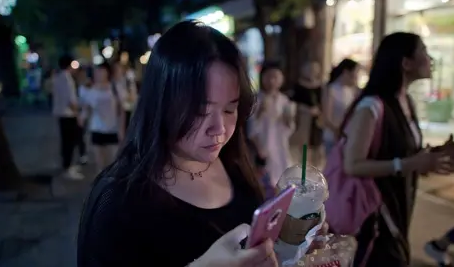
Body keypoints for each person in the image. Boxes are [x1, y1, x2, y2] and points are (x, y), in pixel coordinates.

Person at [77, 21, 325, 267]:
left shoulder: (233, 162)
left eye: (230, 109)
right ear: (162, 104)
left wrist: (290, 246)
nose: (219, 129)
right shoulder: (118, 201)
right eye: (199, 111)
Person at [340, 32, 451, 266]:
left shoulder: (406, 102)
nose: (429, 58)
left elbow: (400, 153)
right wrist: (409, 164)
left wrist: (430, 158)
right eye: (424, 51)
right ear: (406, 63)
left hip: (398, 208)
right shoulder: (372, 106)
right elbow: (353, 164)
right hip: (375, 216)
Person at [248, 61, 296, 186]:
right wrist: (259, 148)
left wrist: (288, 120)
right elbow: (251, 127)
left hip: (280, 146)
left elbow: (289, 128)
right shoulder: (257, 99)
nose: (272, 81)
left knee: (282, 178)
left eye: (276, 77)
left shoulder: (284, 100)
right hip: (264, 145)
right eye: (268, 76)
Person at [80, 62, 125, 173]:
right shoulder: (90, 90)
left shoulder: (115, 88)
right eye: (97, 72)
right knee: (100, 167)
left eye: (101, 71)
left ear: (107, 73)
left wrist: (121, 130)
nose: (98, 74)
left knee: (113, 165)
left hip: (112, 130)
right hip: (97, 130)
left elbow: (121, 111)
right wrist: (82, 118)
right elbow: (86, 109)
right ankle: (101, 189)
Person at [52, 55, 84, 180]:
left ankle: (67, 165)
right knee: (70, 141)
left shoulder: (58, 77)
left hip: (61, 114)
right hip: (68, 115)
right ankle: (68, 167)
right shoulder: (67, 79)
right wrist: (78, 115)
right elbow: (70, 100)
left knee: (66, 141)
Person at [322, 58, 360, 155]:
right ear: (346, 72)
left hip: (349, 137)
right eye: (355, 73)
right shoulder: (331, 90)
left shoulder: (353, 91)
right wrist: (338, 131)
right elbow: (327, 118)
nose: (356, 77)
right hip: (333, 137)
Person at [292, 61, 324, 166]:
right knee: (303, 145)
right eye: (309, 69)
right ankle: (304, 166)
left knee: (316, 144)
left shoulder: (321, 86)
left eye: (314, 70)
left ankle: (315, 167)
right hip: (303, 119)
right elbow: (293, 103)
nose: (312, 72)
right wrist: (306, 110)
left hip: (317, 119)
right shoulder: (299, 86)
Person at [113, 62, 138, 129]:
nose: (117, 71)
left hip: (127, 111)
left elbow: (133, 97)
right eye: (115, 70)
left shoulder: (127, 82)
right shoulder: (111, 84)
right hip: (115, 114)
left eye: (119, 69)